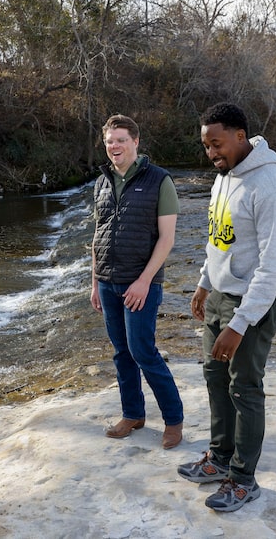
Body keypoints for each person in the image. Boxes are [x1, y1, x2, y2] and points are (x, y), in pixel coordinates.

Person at [177, 103, 276, 511]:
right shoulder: (224, 179)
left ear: (241, 136)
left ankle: (243, 479)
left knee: (244, 387)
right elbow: (219, 238)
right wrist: (203, 283)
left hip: (256, 301)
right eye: (206, 145)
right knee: (214, 375)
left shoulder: (272, 186)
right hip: (222, 295)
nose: (211, 152)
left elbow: (272, 265)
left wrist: (241, 322)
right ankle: (219, 458)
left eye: (217, 143)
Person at [90, 114, 184, 450]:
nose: (114, 146)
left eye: (121, 140)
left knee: (143, 351)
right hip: (107, 282)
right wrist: (94, 282)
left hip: (141, 284)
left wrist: (145, 281)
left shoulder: (159, 181)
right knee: (121, 354)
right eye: (109, 141)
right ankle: (133, 414)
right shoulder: (102, 181)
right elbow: (97, 235)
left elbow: (167, 239)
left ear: (136, 142)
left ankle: (173, 420)